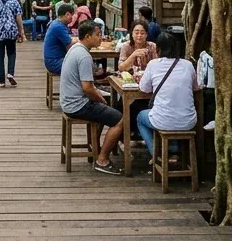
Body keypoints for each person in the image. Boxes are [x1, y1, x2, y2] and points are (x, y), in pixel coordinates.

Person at [60, 20, 122, 175]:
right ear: (87, 37)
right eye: (98, 35)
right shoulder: (84, 56)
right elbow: (87, 88)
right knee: (120, 120)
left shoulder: (75, 48)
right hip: (77, 105)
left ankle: (96, 147)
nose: (100, 38)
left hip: (68, 101)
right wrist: (100, 99)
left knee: (105, 106)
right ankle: (102, 160)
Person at [136, 30, 198, 161]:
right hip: (188, 121)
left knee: (140, 117)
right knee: (173, 113)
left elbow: (144, 88)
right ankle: (174, 151)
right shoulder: (188, 65)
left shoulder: (153, 65)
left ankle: (157, 155)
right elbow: (195, 87)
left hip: (162, 120)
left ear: (157, 49)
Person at [43, 3, 75, 76]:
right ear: (67, 14)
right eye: (72, 15)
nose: (72, 18)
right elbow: (69, 44)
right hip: (55, 62)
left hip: (55, 59)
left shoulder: (57, 23)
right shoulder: (59, 26)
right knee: (80, 65)